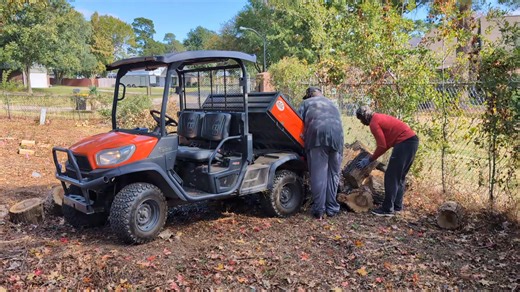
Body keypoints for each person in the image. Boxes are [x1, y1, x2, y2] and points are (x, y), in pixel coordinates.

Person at [355, 106, 419, 217]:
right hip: (412, 141)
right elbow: (385, 144)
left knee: (391, 176)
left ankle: (387, 209)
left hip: (404, 143)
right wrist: (372, 158)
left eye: (361, 119)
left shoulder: (374, 123)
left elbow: (381, 145)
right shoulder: (378, 118)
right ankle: (397, 206)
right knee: (399, 176)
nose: (361, 122)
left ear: (365, 116)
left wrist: (369, 159)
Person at [298, 87, 344, 220]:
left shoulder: (306, 103)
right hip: (337, 138)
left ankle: (319, 209)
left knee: (319, 175)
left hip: (318, 137)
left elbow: (295, 123)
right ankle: (332, 208)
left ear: (309, 95)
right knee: (333, 174)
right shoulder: (332, 103)